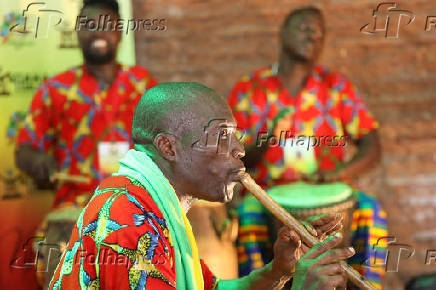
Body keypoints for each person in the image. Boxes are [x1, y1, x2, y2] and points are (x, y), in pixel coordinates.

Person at [50, 82, 355, 289]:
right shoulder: (130, 221)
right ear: (169, 148)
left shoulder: (154, 206)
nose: (240, 149)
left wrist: (279, 272)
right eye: (222, 136)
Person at [228, 6, 387, 288]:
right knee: (247, 214)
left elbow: (372, 146)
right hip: (269, 195)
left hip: (329, 190)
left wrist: (337, 174)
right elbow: (232, 157)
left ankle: (368, 286)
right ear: (282, 34)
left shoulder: (336, 87)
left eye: (319, 32)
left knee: (371, 209)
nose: (313, 35)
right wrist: (264, 142)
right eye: (304, 27)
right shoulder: (250, 89)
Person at [14, 0, 157, 287]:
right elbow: (24, 150)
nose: (97, 33)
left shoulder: (143, 85)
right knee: (62, 254)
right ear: (77, 32)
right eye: (88, 25)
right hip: (76, 203)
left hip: (137, 199)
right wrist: (38, 161)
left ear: (119, 31)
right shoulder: (55, 89)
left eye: (105, 25)